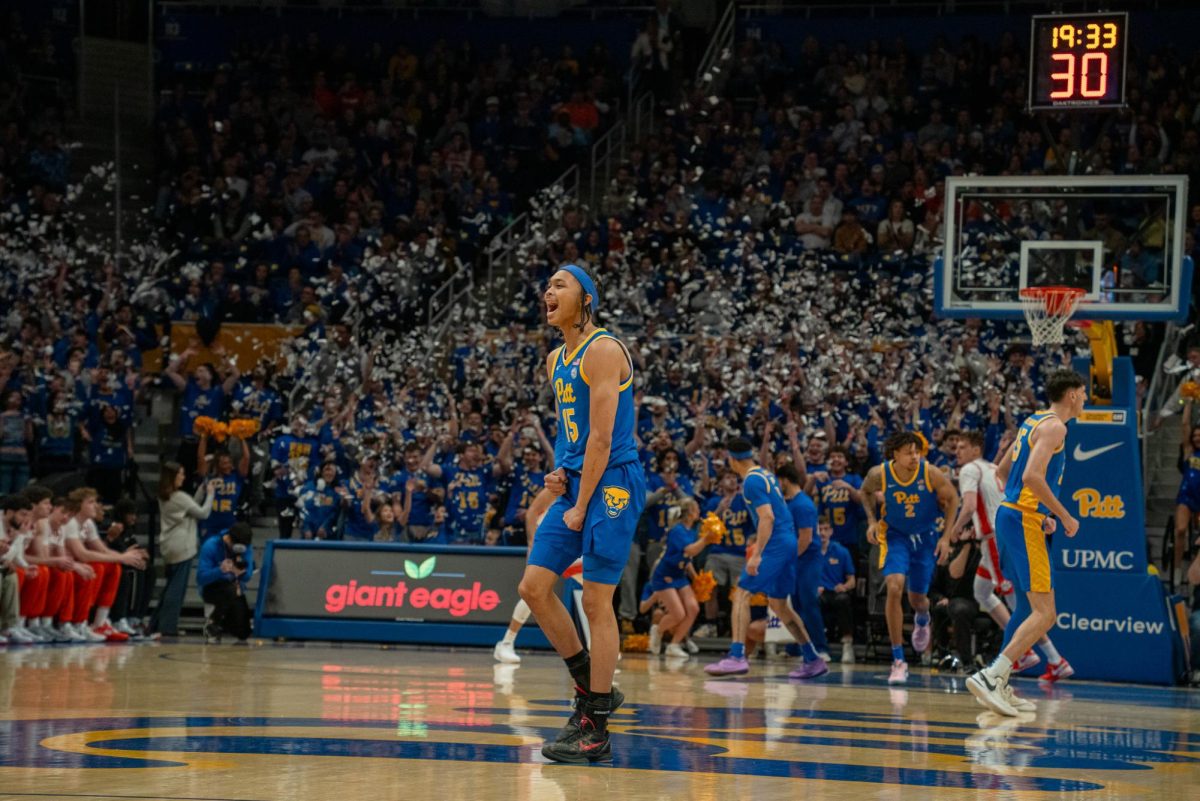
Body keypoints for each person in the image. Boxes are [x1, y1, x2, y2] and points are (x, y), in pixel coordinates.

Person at [516, 264, 646, 764]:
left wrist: (580, 503)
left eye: (559, 284)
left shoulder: (606, 349)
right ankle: (593, 686)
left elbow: (602, 436)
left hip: (612, 481)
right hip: (577, 478)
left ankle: (595, 727)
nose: (548, 291)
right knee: (533, 587)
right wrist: (559, 473)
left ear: (586, 298)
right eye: (547, 285)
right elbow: (573, 432)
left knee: (596, 602)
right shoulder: (554, 360)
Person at [967, 370, 1086, 717]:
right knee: (1046, 612)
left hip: (1013, 516)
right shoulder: (1056, 427)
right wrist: (1063, 516)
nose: (1085, 398)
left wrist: (1035, 509)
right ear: (1073, 395)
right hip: (1022, 521)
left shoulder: (1033, 421)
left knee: (1024, 608)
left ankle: (999, 683)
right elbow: (1032, 476)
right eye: (1083, 393)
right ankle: (993, 675)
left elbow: (1002, 471)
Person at [948, 430, 1072, 682]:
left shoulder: (970, 470)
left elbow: (970, 505)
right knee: (982, 591)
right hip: (998, 536)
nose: (956, 451)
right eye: (956, 447)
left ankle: (1033, 655)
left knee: (1021, 604)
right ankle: (1052, 659)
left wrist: (955, 528)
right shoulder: (991, 467)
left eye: (962, 447)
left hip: (994, 537)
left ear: (975, 450)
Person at [704, 437, 828, 680]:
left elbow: (767, 517)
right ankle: (812, 658)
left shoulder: (751, 481)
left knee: (741, 594)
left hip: (776, 544)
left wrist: (757, 554)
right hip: (787, 541)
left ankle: (737, 655)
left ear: (731, 459)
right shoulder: (765, 474)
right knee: (779, 605)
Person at [861, 431, 959, 685]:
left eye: (917, 451)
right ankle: (898, 660)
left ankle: (922, 617)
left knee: (917, 599)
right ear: (895, 454)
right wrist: (872, 521)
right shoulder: (879, 474)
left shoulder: (931, 472)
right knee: (894, 586)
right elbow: (865, 492)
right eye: (909, 452)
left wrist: (946, 537)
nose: (914, 457)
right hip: (895, 536)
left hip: (925, 538)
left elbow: (953, 499)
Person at [62, 487, 147, 641]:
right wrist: (122, 558)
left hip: (77, 565)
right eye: (91, 502)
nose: (96, 506)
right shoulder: (71, 523)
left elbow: (102, 550)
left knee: (113, 567)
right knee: (98, 568)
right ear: (79, 504)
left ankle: (99, 623)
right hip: (69, 565)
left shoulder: (87, 522)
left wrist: (126, 557)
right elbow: (82, 554)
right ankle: (79, 622)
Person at [154, 462, 218, 636]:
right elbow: (203, 512)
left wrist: (202, 491)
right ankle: (168, 627)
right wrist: (211, 495)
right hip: (181, 546)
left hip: (170, 544)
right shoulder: (179, 497)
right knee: (177, 589)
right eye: (180, 474)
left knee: (170, 587)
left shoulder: (167, 496)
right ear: (172, 477)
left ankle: (156, 623)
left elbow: (192, 506)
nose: (183, 477)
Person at [778, 463, 827, 659]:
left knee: (808, 602)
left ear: (785, 481)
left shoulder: (803, 504)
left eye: (778, 481)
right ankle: (796, 648)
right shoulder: (788, 503)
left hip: (808, 560)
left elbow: (805, 539)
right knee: (794, 604)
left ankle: (821, 648)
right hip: (795, 559)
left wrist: (787, 560)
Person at [646, 498, 706, 657]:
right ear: (690, 512)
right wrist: (707, 539)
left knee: (693, 608)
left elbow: (687, 558)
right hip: (664, 576)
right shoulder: (677, 530)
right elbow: (691, 550)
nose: (699, 511)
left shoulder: (690, 531)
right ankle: (657, 631)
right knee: (678, 614)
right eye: (697, 508)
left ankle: (674, 645)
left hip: (679, 575)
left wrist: (696, 577)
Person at [697, 469, 751, 637]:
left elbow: (757, 523)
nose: (732, 480)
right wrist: (719, 510)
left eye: (735, 477)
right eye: (728, 477)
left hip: (740, 553)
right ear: (720, 483)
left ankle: (738, 626)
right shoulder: (714, 502)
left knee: (740, 593)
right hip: (717, 552)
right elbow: (704, 530)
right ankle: (711, 625)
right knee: (708, 586)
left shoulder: (746, 501)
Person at [196, 521, 255, 642]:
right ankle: (213, 622)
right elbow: (201, 578)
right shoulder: (211, 545)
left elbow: (248, 575)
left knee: (243, 632)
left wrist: (240, 573)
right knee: (230, 590)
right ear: (228, 540)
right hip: (212, 587)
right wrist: (220, 570)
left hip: (234, 588)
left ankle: (224, 622)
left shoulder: (247, 547)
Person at [816, 517, 857, 662]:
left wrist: (844, 586)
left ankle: (847, 645)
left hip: (836, 592)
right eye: (819, 529)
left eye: (826, 529)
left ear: (831, 531)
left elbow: (852, 580)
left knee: (843, 600)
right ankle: (818, 647)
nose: (822, 533)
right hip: (818, 593)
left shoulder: (841, 551)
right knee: (812, 601)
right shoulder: (810, 551)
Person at [196, 432, 251, 540]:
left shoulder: (236, 476)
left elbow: (247, 457)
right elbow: (200, 458)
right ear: (217, 465)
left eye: (229, 462)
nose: (228, 466)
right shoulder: (209, 477)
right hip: (209, 523)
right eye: (224, 463)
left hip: (229, 523)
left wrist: (242, 439)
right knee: (208, 552)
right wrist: (203, 438)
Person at [1173, 397, 1200, 588]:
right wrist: (1189, 401)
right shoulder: (1189, 451)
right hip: (1187, 496)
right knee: (1180, 530)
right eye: (1195, 435)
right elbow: (1184, 425)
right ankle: (1176, 571)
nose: (1197, 437)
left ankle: (1195, 575)